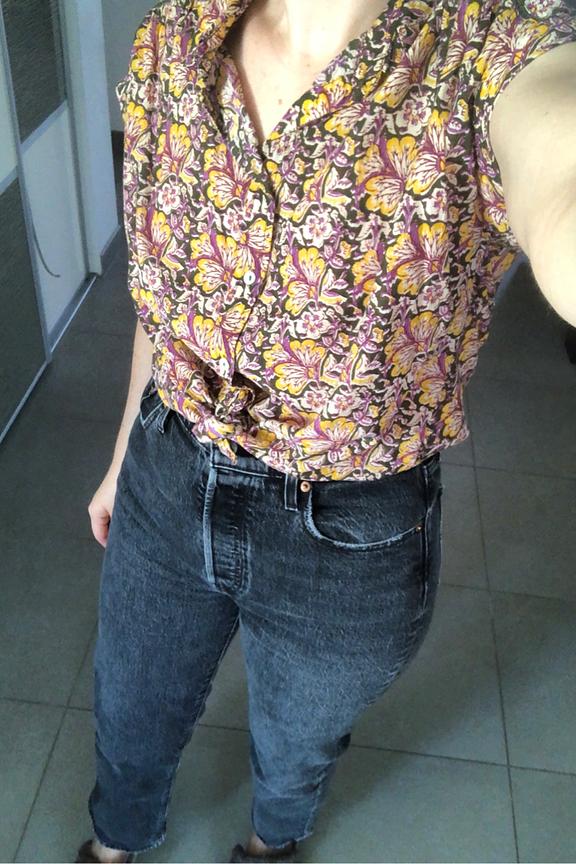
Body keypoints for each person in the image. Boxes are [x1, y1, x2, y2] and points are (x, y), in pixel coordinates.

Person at [77, 0, 576, 861]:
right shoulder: (178, 33)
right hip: (168, 467)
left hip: (348, 533)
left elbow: (558, 160)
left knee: (298, 743)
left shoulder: (494, 48)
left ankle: (270, 846)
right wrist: (125, 452)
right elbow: (166, 296)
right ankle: (113, 843)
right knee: (130, 707)